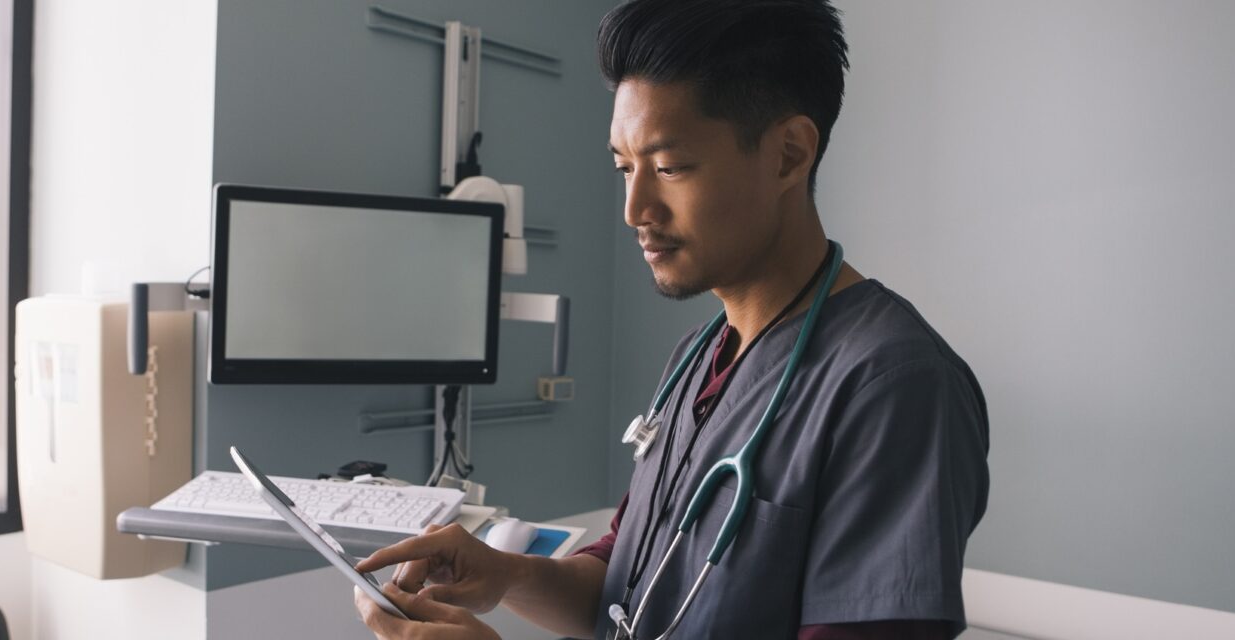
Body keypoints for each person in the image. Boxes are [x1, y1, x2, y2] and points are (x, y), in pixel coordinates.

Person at [354, 0, 989, 637]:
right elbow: (628, 586)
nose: (634, 209)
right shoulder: (699, 355)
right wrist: (507, 574)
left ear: (789, 155)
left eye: (669, 167)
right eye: (624, 168)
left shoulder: (893, 386)